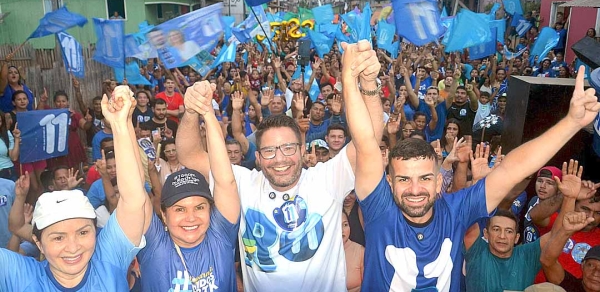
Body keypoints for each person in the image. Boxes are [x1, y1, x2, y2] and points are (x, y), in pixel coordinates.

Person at [351, 65, 600, 291]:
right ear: (389, 184)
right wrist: (363, 82)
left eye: (425, 178)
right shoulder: (379, 211)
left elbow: (513, 168)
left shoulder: (456, 210)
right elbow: (365, 144)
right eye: (404, 179)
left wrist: (572, 122)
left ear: (439, 183)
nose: (415, 189)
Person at [177, 40, 382, 291]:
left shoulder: (326, 179)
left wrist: (370, 84)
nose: (281, 158)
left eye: (288, 148)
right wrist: (191, 111)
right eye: (270, 151)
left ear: (300, 149)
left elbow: (368, 141)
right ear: (258, 157)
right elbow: (189, 156)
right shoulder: (241, 183)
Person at [0, 85, 151, 291]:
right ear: (38, 242)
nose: (73, 248)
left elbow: (134, 198)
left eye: (82, 232)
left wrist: (120, 125)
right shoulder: (20, 275)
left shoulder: (109, 258)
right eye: (58, 237)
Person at [137, 80, 240, 292]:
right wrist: (121, 125)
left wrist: (207, 113)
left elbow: (225, 181)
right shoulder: (154, 246)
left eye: (200, 207)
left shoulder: (220, 236)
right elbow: (135, 195)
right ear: (163, 215)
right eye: (180, 209)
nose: (191, 217)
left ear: (212, 210)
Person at [463, 209, 552, 291]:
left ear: (516, 238)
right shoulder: (477, 251)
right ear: (486, 233)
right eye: (496, 229)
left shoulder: (527, 256)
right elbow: (464, 213)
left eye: (509, 231)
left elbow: (557, 234)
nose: (502, 236)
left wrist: (567, 198)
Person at [342, 211, 364, 292]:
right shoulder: (322, 253)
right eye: (337, 226)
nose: (342, 230)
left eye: (345, 225)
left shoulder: (360, 251)